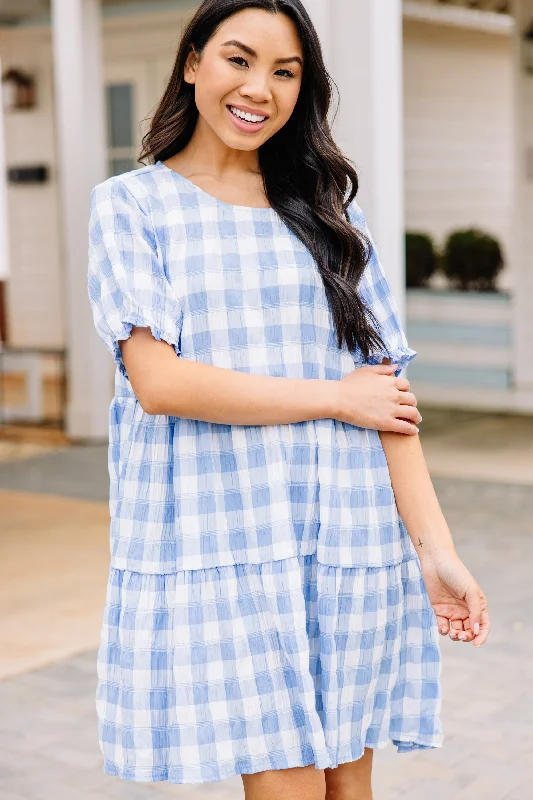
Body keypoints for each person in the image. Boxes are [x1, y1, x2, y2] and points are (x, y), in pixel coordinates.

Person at [87, 1, 490, 798]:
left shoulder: (332, 219)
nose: (258, 88)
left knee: (350, 789)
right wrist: (334, 399)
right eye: (238, 59)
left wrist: (434, 550)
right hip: (225, 537)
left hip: (345, 536)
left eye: (284, 71)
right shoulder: (133, 206)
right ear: (193, 61)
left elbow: (386, 400)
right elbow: (160, 384)